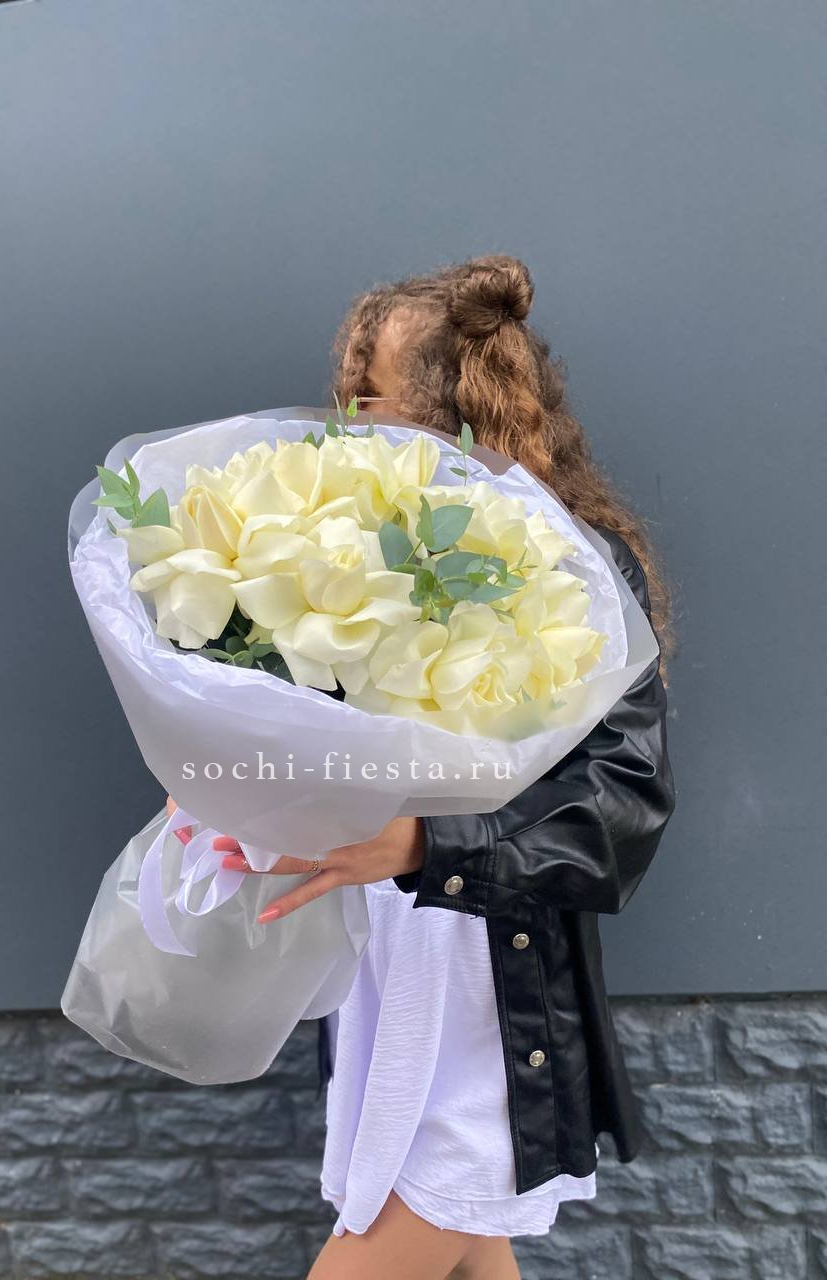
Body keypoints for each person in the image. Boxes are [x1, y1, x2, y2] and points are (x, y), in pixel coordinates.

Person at [182, 255, 677, 1279]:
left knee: (408, 1228)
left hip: (491, 999)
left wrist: (424, 843)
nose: (348, 422)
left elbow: (620, 810)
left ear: (456, 406)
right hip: (389, 979)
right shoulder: (352, 552)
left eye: (370, 396)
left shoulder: (574, 566)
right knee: (469, 1254)